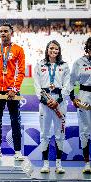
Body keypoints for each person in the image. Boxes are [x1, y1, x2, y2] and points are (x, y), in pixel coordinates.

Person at [0, 22, 25, 161]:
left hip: (12, 92)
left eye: (6, 31)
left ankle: (18, 152)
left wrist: (14, 89)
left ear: (11, 33)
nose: (3, 33)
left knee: (15, 121)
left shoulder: (18, 50)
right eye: (1, 31)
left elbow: (21, 71)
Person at [34, 40, 70, 174]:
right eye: (51, 48)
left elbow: (67, 85)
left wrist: (59, 100)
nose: (53, 51)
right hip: (45, 103)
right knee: (45, 134)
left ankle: (59, 165)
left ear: (59, 51)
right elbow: (37, 85)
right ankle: (46, 164)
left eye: (56, 49)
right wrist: (44, 100)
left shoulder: (64, 66)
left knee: (60, 134)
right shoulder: (40, 64)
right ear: (47, 49)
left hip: (59, 103)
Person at [70, 37, 91, 174]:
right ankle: (87, 163)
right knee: (85, 130)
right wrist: (73, 98)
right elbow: (71, 81)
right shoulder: (79, 62)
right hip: (84, 97)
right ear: (87, 48)